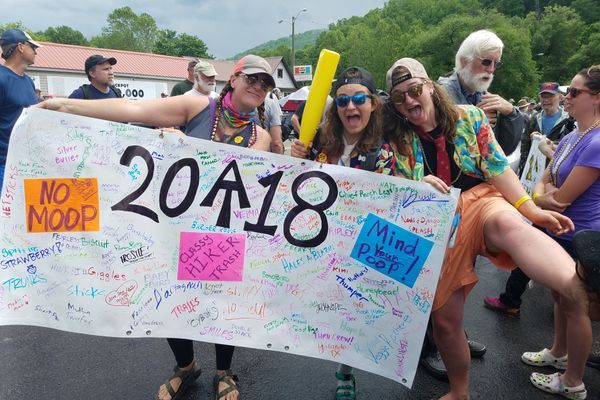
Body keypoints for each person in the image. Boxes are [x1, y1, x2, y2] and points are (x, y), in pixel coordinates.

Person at [38, 54, 275, 400]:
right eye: (252, 79)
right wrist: (63, 106)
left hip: (222, 236)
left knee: (224, 307)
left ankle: (224, 372)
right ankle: (186, 367)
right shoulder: (196, 107)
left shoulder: (261, 137)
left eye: (265, 84)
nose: (258, 87)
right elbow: (132, 112)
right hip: (172, 230)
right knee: (171, 301)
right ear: (234, 79)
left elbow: (256, 189)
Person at [382, 57, 594, 400]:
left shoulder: (470, 117)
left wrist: (531, 210)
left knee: (508, 223)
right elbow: (386, 180)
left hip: (478, 198)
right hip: (435, 224)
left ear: (431, 89)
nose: (408, 101)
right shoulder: (395, 137)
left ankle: (579, 285)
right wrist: (418, 183)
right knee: (446, 323)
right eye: (398, 97)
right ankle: (460, 392)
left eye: (414, 90)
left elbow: (496, 168)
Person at [291, 66, 394, 400]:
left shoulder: (386, 149)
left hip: (363, 241)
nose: (351, 107)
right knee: (327, 307)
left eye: (359, 99)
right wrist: (295, 156)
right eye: (343, 101)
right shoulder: (321, 140)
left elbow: (397, 198)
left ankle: (345, 372)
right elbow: (295, 182)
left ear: (374, 104)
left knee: (355, 310)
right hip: (323, 239)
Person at [521, 65, 600, 397]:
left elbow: (564, 198)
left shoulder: (596, 141)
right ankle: (557, 352)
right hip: (558, 231)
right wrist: (541, 196)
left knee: (575, 305)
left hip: (580, 236)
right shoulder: (572, 136)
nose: (567, 98)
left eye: (574, 93)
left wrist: (541, 197)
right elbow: (544, 177)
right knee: (558, 296)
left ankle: (573, 382)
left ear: (596, 98)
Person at [485, 82, 571, 317]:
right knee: (540, 236)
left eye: (551, 96)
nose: (546, 100)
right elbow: (523, 146)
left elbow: (564, 163)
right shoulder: (535, 118)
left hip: (560, 193)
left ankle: (570, 302)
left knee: (549, 242)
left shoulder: (571, 125)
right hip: (538, 182)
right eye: (543, 96)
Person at [437, 29, 524, 156]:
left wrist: (511, 114)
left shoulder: (485, 97)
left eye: (496, 63)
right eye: (486, 61)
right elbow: (436, 145)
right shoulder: (440, 94)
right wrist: (474, 121)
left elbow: (503, 150)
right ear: (464, 61)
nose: (491, 69)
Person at [0, 29, 41, 190]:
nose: (36, 52)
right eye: (33, 47)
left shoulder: (28, 82)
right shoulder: (2, 78)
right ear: (20, 47)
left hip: (25, 162)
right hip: (4, 164)